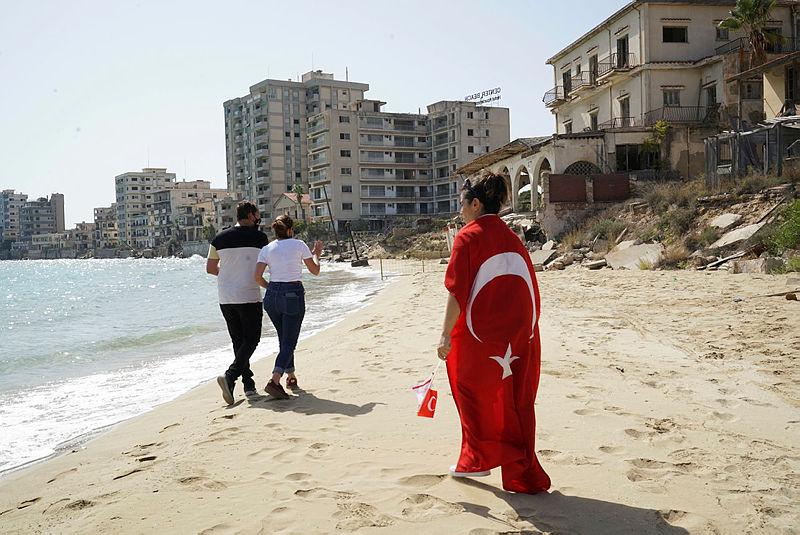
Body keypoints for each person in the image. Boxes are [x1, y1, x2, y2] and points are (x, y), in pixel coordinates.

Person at [437, 173, 551, 494]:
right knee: (515, 398)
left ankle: (476, 461)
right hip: (517, 336)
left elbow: (457, 291)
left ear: (476, 203)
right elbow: (526, 289)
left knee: (470, 389)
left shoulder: (467, 237)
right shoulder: (512, 237)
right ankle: (521, 470)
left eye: (462, 204)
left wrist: (445, 335)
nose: (460, 211)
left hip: (482, 333)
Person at [206, 200, 269, 405]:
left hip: (226, 296)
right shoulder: (260, 237)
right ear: (251, 215)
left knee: (238, 341)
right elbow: (269, 263)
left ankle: (248, 385)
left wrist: (229, 275)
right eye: (257, 214)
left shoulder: (219, 237)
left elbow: (210, 268)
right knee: (252, 339)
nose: (258, 218)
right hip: (249, 295)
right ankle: (230, 376)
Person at [254, 215, 323, 400]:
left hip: (272, 296)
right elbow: (315, 271)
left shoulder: (267, 249)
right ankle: (274, 380)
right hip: (292, 294)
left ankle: (291, 377)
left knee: (284, 338)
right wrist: (316, 253)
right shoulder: (298, 244)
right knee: (289, 341)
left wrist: (272, 288)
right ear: (290, 230)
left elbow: (257, 277)